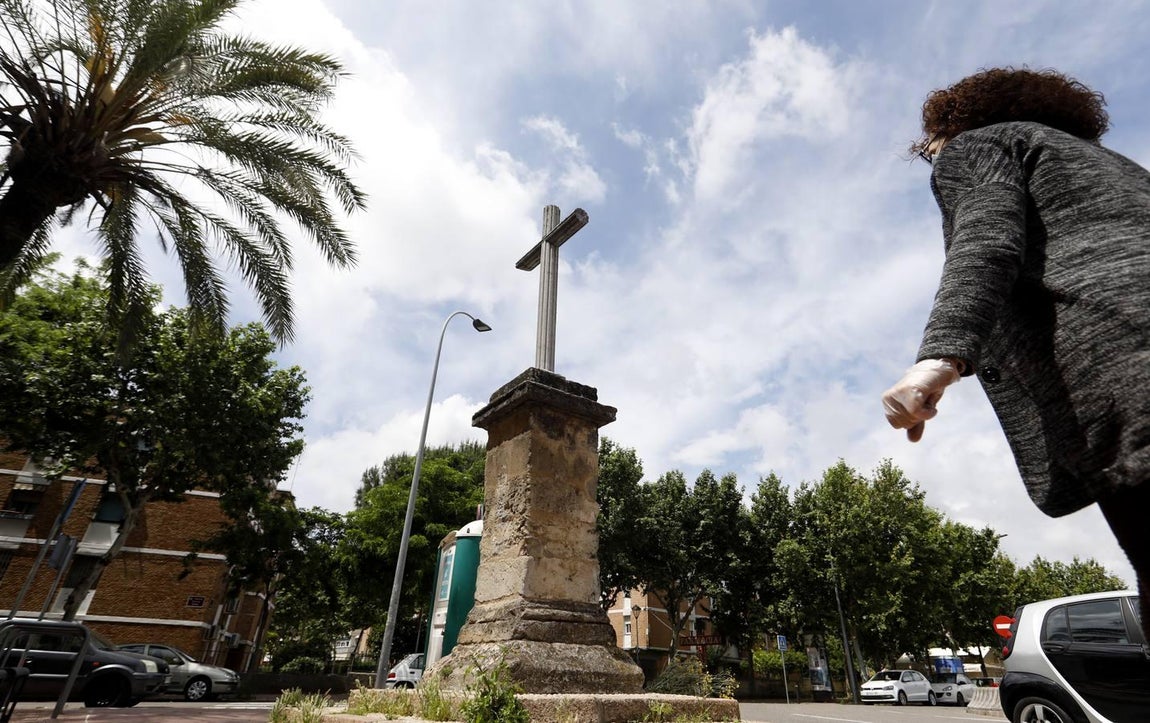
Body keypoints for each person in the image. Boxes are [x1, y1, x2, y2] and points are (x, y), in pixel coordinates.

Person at [881, 67, 1150, 638]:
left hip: (1127, 368)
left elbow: (987, 239)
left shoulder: (979, 145)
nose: (933, 158)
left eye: (931, 149)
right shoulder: (1114, 167)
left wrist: (941, 355)